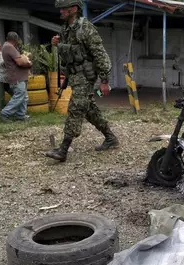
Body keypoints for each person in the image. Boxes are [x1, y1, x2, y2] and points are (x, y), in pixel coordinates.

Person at [47, 0, 117, 163]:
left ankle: (63, 149)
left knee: (76, 107)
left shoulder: (85, 28)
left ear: (73, 9)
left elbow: (100, 54)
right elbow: (68, 54)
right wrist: (56, 44)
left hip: (86, 75)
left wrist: (104, 80)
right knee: (88, 108)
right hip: (74, 75)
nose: (61, 12)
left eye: (64, 9)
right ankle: (110, 137)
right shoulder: (64, 29)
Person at [0, 32, 32, 121]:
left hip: (17, 76)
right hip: (17, 77)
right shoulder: (9, 47)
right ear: (15, 39)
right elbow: (20, 62)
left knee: (23, 96)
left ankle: (21, 115)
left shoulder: (6, 46)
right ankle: (5, 113)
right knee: (19, 96)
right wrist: (29, 63)